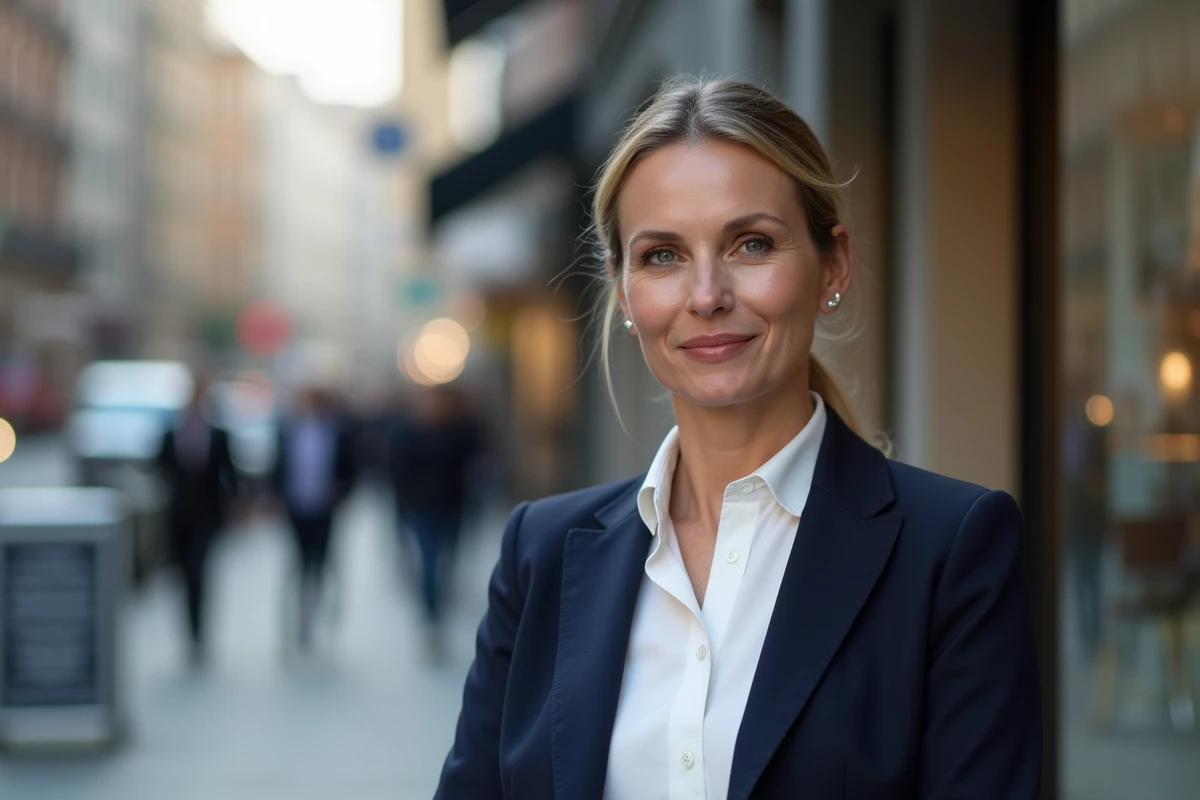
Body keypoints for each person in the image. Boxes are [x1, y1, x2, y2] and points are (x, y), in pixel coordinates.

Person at [435, 77, 1042, 800]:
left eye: (751, 244)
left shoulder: (951, 552)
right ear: (625, 292)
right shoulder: (542, 551)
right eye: (662, 255)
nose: (706, 295)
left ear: (833, 266)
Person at [388, 384, 482, 651]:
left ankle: (439, 605)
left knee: (448, 560)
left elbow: (474, 462)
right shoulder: (408, 432)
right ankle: (431, 619)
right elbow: (398, 469)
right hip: (421, 509)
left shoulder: (462, 430)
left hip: (454, 506)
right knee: (429, 562)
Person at [155, 377, 238, 666]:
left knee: (198, 573)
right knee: (182, 576)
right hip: (177, 516)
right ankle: (188, 631)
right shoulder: (169, 434)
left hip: (207, 515)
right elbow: (158, 469)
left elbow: (230, 473)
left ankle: (200, 632)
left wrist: (236, 507)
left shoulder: (218, 434)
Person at [271, 386, 357, 653]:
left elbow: (350, 468)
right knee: (298, 565)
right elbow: (278, 466)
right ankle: (300, 622)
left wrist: (341, 492)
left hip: (323, 509)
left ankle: (318, 610)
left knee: (320, 563)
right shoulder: (288, 431)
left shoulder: (337, 432)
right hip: (296, 508)